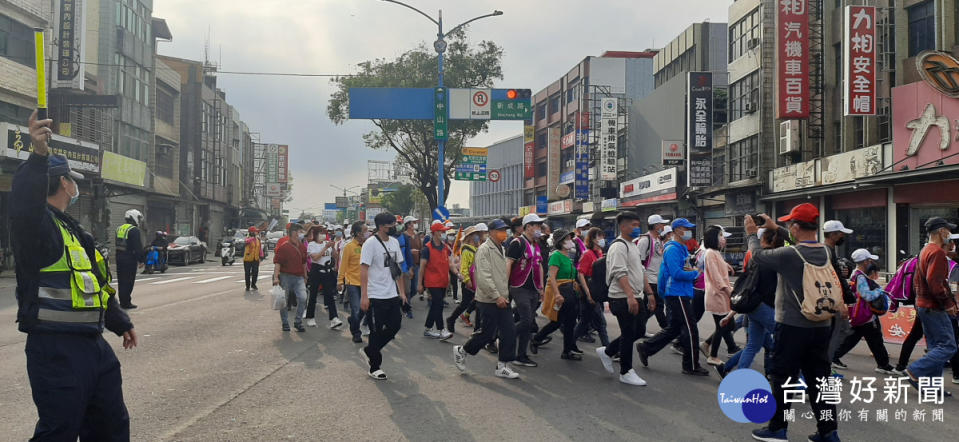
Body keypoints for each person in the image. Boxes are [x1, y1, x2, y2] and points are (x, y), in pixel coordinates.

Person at [12, 112, 137, 440]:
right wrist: (38, 156)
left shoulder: (73, 231)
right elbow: (25, 203)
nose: (76, 185)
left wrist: (120, 321)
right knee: (59, 430)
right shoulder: (38, 228)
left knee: (111, 426)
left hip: (93, 345)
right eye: (73, 179)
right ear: (64, 183)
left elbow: (94, 286)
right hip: (55, 347)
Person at [746, 204, 844, 442]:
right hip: (821, 326)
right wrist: (776, 227)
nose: (789, 227)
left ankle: (778, 428)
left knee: (782, 378)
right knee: (819, 380)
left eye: (791, 224)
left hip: (791, 326)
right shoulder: (826, 251)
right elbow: (799, 240)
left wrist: (751, 233)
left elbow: (758, 256)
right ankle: (828, 432)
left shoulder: (789, 255)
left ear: (797, 226)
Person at [638, 218, 708, 376]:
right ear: (676, 230)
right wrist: (695, 273)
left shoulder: (681, 248)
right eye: (685, 228)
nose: (689, 231)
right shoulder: (673, 249)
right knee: (691, 330)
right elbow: (676, 273)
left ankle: (646, 347)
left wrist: (693, 271)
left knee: (674, 328)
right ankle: (691, 365)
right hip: (677, 293)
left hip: (681, 292)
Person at [454, 219, 520, 379]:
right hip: (488, 299)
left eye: (504, 230)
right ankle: (462, 350)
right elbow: (484, 277)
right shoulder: (484, 250)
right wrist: (496, 296)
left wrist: (504, 296)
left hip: (501, 297)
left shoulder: (502, 248)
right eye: (500, 230)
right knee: (486, 334)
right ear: (490, 232)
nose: (504, 233)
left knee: (509, 331)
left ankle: (502, 365)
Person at [595, 211, 651, 386]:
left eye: (637, 225)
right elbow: (620, 272)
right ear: (622, 226)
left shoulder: (632, 245)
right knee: (628, 333)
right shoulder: (618, 246)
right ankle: (626, 371)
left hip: (637, 295)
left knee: (639, 331)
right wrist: (629, 296)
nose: (636, 228)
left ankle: (608, 350)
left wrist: (649, 293)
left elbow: (640, 271)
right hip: (621, 297)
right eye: (633, 225)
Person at [717, 227, 782, 378]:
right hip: (765, 307)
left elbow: (747, 287)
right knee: (786, 341)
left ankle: (729, 369)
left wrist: (730, 314)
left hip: (752, 306)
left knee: (753, 346)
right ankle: (802, 383)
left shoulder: (755, 257)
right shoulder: (773, 259)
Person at [904, 217, 959, 391]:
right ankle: (915, 370)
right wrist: (949, 303)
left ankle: (931, 387)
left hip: (924, 304)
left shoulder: (925, 250)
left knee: (937, 346)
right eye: (948, 231)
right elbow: (936, 283)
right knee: (948, 346)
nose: (950, 235)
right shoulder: (937, 253)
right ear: (942, 231)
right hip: (934, 306)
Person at [359, 212, 408, 380]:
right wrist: (364, 296)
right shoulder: (370, 244)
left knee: (395, 326)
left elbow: (397, 270)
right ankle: (375, 366)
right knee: (375, 330)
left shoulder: (394, 243)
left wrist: (402, 292)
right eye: (391, 226)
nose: (394, 228)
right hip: (375, 295)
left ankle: (370, 350)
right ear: (381, 227)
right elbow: (364, 269)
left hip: (391, 293)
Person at [832, 249, 896, 374]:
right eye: (869, 259)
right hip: (865, 315)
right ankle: (883, 364)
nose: (870, 261)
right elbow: (866, 295)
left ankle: (834, 356)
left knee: (858, 338)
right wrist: (880, 291)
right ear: (865, 262)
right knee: (874, 339)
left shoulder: (856, 274)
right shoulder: (860, 276)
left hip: (861, 314)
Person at [531, 229, 588, 360]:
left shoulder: (568, 257)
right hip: (562, 293)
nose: (571, 241)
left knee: (569, 323)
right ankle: (536, 339)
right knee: (557, 322)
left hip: (570, 293)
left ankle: (567, 351)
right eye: (568, 238)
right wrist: (557, 295)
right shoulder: (556, 256)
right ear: (561, 242)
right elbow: (552, 277)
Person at [507, 213, 546, 368]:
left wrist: (541, 287)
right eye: (536, 225)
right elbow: (509, 263)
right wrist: (505, 286)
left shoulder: (536, 245)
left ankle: (521, 355)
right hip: (519, 286)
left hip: (534, 288)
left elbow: (540, 266)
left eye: (539, 226)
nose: (539, 228)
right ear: (528, 227)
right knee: (526, 319)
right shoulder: (517, 243)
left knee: (528, 323)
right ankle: (505, 337)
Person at [822, 220, 857, 371]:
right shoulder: (826, 251)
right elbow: (831, 279)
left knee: (841, 331)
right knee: (839, 331)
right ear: (832, 235)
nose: (843, 236)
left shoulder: (829, 251)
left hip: (834, 299)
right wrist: (840, 302)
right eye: (840, 233)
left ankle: (826, 364)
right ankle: (825, 366)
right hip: (833, 300)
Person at [703, 226, 735, 366]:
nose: (724, 238)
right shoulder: (710, 253)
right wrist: (730, 293)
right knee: (723, 325)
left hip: (722, 295)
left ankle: (706, 344)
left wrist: (727, 266)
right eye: (721, 235)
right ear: (713, 237)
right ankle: (713, 355)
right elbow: (717, 278)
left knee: (726, 325)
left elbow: (719, 269)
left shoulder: (715, 253)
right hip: (717, 295)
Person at [574, 227, 610, 347]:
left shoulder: (599, 253)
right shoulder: (587, 254)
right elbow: (581, 274)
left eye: (602, 236)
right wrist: (588, 294)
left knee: (585, 321)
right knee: (601, 323)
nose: (602, 239)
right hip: (589, 293)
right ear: (593, 239)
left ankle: (569, 345)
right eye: (599, 237)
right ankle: (609, 350)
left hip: (596, 292)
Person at [418, 221, 454, 340]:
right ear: (434, 233)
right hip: (432, 282)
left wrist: (452, 277)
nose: (444, 234)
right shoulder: (427, 249)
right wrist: (420, 284)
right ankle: (441, 329)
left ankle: (428, 329)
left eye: (444, 231)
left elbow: (448, 264)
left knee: (435, 305)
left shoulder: (445, 247)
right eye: (441, 231)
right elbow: (422, 268)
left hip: (443, 282)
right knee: (438, 305)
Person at [448, 224, 485, 333]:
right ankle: (451, 319)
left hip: (477, 281)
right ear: (469, 237)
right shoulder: (466, 250)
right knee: (465, 304)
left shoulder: (477, 248)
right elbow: (464, 267)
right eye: (473, 234)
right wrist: (467, 280)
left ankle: (477, 328)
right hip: (469, 282)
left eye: (476, 234)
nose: (476, 236)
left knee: (477, 305)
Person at [339, 221, 370, 343]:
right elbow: (343, 265)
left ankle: (353, 320)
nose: (367, 233)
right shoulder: (349, 247)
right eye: (365, 231)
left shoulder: (369, 246)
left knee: (364, 309)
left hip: (367, 283)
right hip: (352, 283)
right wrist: (339, 281)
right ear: (358, 233)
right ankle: (356, 333)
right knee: (356, 309)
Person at [273, 223, 308, 332]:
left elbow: (304, 263)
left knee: (303, 298)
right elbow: (277, 263)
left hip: (299, 278)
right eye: (299, 231)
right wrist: (276, 278)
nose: (301, 234)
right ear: (293, 233)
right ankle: (285, 322)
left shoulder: (302, 247)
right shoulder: (284, 247)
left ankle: (298, 321)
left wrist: (305, 276)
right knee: (284, 300)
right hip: (285, 276)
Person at [637, 214, 670, 330]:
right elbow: (639, 262)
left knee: (650, 307)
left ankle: (639, 328)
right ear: (656, 226)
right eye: (662, 224)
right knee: (658, 306)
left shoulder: (658, 240)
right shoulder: (645, 240)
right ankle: (667, 330)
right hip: (650, 279)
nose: (664, 226)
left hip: (658, 278)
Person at [306, 226, 342, 329]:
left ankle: (334, 318)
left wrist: (333, 247)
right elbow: (315, 258)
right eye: (320, 233)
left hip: (327, 270)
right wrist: (325, 247)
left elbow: (335, 256)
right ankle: (310, 317)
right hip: (316, 270)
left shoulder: (327, 243)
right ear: (316, 234)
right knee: (313, 295)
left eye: (324, 233)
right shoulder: (312, 245)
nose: (322, 235)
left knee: (329, 295)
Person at [115, 208, 145, 309]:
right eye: (139, 218)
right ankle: (126, 302)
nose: (139, 221)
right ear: (134, 217)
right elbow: (137, 246)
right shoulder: (134, 230)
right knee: (128, 281)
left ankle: (122, 301)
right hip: (129, 259)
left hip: (119, 258)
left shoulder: (119, 228)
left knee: (121, 281)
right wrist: (141, 260)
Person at [399, 215, 420, 312]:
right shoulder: (404, 236)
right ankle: (406, 304)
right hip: (407, 265)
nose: (414, 225)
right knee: (407, 288)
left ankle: (405, 301)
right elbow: (404, 251)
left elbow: (421, 248)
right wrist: (410, 251)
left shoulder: (417, 235)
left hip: (417, 263)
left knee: (414, 288)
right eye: (413, 223)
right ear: (408, 225)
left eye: (415, 223)